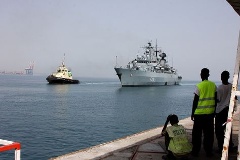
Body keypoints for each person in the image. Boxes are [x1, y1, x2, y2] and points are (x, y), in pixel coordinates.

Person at [191, 68, 216, 157]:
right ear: (208, 75)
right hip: (210, 114)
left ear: (201, 75)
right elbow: (215, 100)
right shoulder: (213, 85)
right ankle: (209, 152)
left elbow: (195, 101)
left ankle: (195, 152)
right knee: (209, 135)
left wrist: (192, 113)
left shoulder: (199, 86)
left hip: (199, 115)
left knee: (197, 135)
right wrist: (214, 112)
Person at [215, 70, 235, 153]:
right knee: (228, 129)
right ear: (228, 77)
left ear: (221, 77)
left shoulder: (219, 88)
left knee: (219, 131)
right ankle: (230, 145)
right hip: (228, 111)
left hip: (220, 111)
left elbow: (218, 100)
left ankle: (221, 147)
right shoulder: (232, 87)